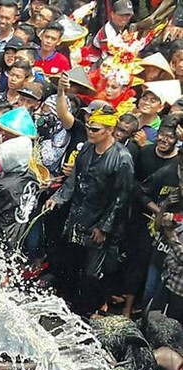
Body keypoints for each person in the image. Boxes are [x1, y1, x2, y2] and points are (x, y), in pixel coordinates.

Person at [43, 105, 134, 316]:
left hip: (100, 222)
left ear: (109, 130)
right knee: (70, 262)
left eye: (95, 129)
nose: (89, 132)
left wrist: (104, 227)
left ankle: (88, 310)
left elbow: (123, 198)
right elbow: (74, 179)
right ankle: (66, 304)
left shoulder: (122, 158)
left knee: (92, 272)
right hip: (77, 216)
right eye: (89, 128)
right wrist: (58, 198)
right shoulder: (86, 148)